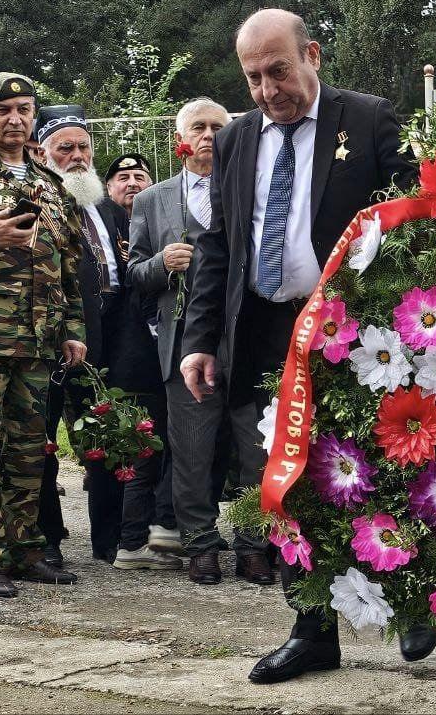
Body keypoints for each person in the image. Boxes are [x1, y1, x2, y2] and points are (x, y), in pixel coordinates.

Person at [179, 9, 417, 684]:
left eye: (278, 70)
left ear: (312, 53)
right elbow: (218, 245)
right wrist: (199, 339)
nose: (265, 89)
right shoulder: (236, 140)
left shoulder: (368, 119)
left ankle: (409, 599)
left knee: (373, 470)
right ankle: (311, 629)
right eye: (252, 77)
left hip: (353, 336)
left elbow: (412, 223)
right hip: (263, 333)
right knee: (281, 486)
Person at [127, 97, 261, 586]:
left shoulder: (252, 190)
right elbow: (133, 274)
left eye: (218, 128)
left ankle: (253, 547)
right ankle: (200, 545)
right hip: (183, 342)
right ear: (180, 139)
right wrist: (162, 263)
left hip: (246, 340)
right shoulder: (151, 199)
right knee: (192, 449)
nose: (209, 136)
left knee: (255, 449)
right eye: (199, 128)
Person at [37, 105, 175, 568]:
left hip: (108, 342)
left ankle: (112, 541)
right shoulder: (36, 203)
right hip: (51, 340)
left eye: (83, 148)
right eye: (65, 149)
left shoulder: (103, 205)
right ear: (44, 153)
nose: (76, 157)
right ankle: (47, 539)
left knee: (106, 442)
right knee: (42, 443)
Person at [0, 72, 86, 597]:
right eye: (3, 110)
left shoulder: (49, 181)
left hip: (37, 340)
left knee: (28, 449)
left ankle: (24, 549)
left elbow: (67, 266)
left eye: (24, 109)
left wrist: (72, 330)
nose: (15, 119)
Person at [104, 154, 153, 218]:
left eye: (139, 178)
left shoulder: (164, 222)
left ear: (150, 186)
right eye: (124, 178)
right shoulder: (96, 222)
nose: (132, 183)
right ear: (109, 188)